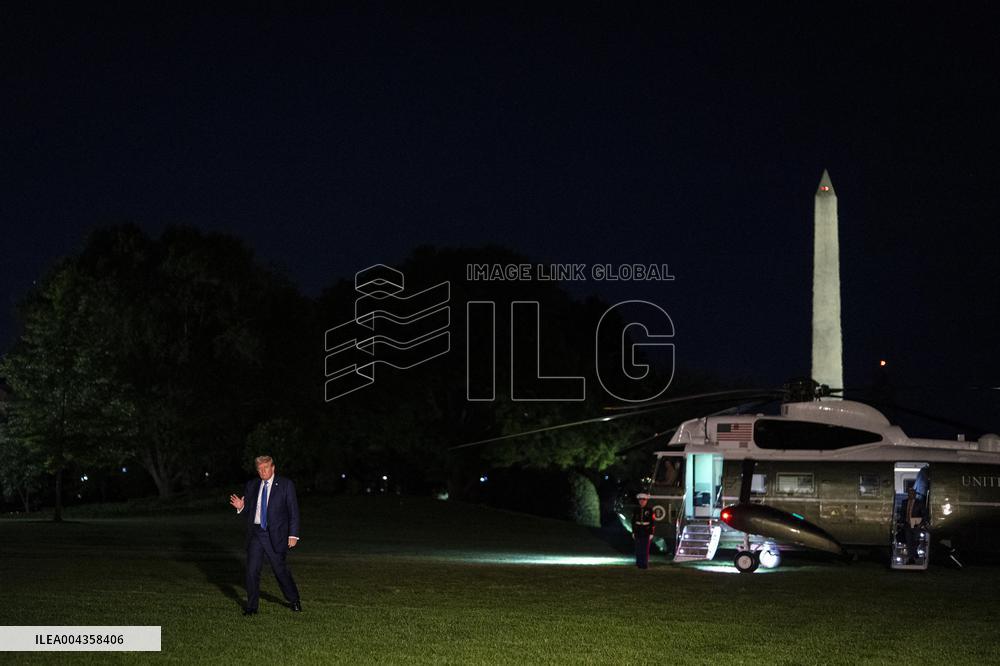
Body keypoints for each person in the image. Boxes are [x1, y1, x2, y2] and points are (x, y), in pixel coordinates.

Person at [228, 455, 302, 615]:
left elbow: (293, 511)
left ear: (273, 468)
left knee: (280, 570)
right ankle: (252, 607)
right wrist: (241, 506)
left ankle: (294, 599)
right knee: (252, 571)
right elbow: (249, 510)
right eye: (260, 469)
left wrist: (293, 535)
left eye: (266, 468)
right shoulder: (252, 485)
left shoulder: (285, 485)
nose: (263, 471)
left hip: (275, 536)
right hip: (256, 534)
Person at [898, 487, 926, 565]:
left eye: (912, 493)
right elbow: (902, 513)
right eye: (909, 493)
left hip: (916, 523)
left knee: (915, 541)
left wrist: (921, 524)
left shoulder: (919, 503)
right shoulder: (904, 502)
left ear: (915, 494)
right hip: (907, 524)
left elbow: (924, 514)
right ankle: (911, 558)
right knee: (909, 541)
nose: (910, 495)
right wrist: (901, 522)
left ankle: (914, 554)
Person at [632, 492, 656, 569]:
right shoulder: (636, 510)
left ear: (646, 501)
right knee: (638, 548)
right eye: (640, 500)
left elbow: (652, 522)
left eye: (644, 500)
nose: (642, 501)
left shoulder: (650, 510)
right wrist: (633, 531)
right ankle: (638, 563)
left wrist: (651, 533)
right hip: (638, 530)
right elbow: (633, 521)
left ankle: (644, 564)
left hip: (646, 530)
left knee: (645, 548)